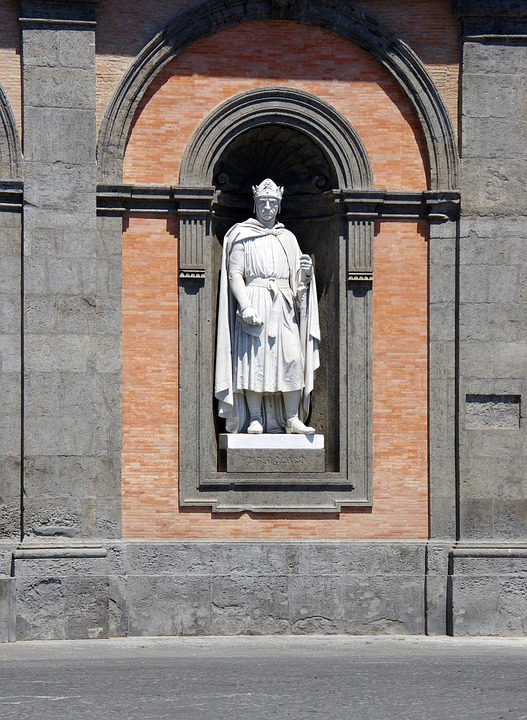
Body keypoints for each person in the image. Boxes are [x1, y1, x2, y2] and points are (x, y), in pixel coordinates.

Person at [215, 178, 320, 434]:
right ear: (255, 204)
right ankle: (254, 418)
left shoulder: (288, 238)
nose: (267, 207)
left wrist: (306, 274)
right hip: (255, 299)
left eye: (272, 203)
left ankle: (292, 419)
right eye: (263, 202)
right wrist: (245, 305)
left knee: (292, 358)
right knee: (254, 360)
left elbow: (298, 282)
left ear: (279, 206)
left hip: (283, 304)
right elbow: (235, 274)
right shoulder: (242, 235)